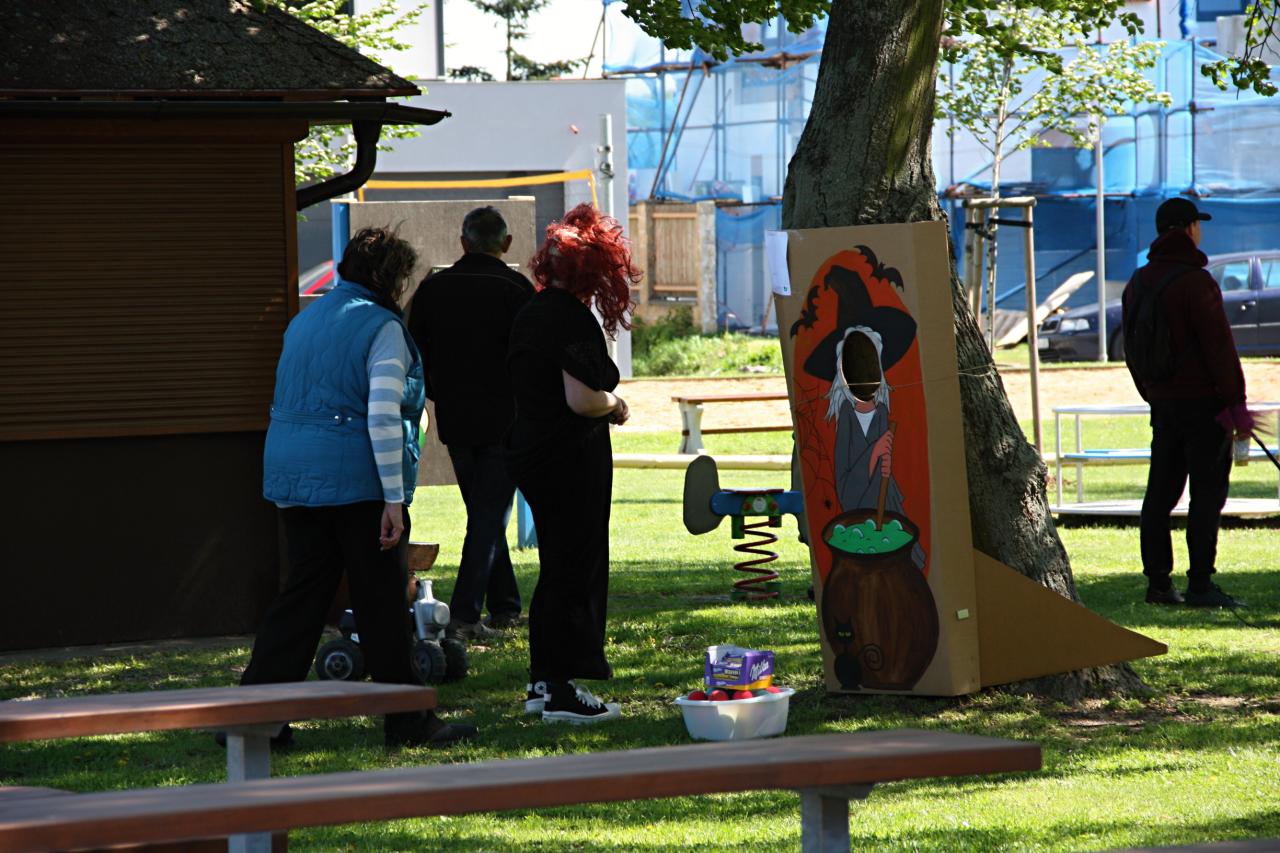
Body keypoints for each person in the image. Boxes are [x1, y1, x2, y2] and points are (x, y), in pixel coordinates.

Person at [241, 227, 477, 748]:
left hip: (292, 476)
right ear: (391, 278)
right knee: (383, 604)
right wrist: (393, 498)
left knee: (301, 599)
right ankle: (408, 720)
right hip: (357, 483)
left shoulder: (306, 320)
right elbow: (383, 414)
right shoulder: (382, 327)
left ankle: (254, 720)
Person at [505, 204, 638, 723]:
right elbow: (582, 399)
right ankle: (561, 689)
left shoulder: (533, 311)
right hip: (566, 458)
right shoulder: (568, 318)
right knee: (573, 568)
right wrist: (617, 405)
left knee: (556, 567)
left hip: (533, 451)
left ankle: (543, 682)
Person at [408, 207, 535, 641]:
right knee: (487, 514)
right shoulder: (517, 289)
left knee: (484, 512)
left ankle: (505, 605)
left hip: (457, 419)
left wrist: (440, 393)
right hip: (506, 420)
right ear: (507, 243)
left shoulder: (433, 289)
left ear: (462, 242)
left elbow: (416, 353)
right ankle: (464, 613)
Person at [1122, 198, 1250, 608]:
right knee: (1207, 495)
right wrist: (1237, 404)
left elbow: (1131, 348)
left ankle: (1159, 583)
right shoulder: (1197, 283)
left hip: (1164, 404)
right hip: (1205, 405)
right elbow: (1220, 350)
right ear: (1188, 228)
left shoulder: (1138, 281)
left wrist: (1151, 392)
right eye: (1198, 224)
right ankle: (1200, 584)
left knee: (1160, 495)